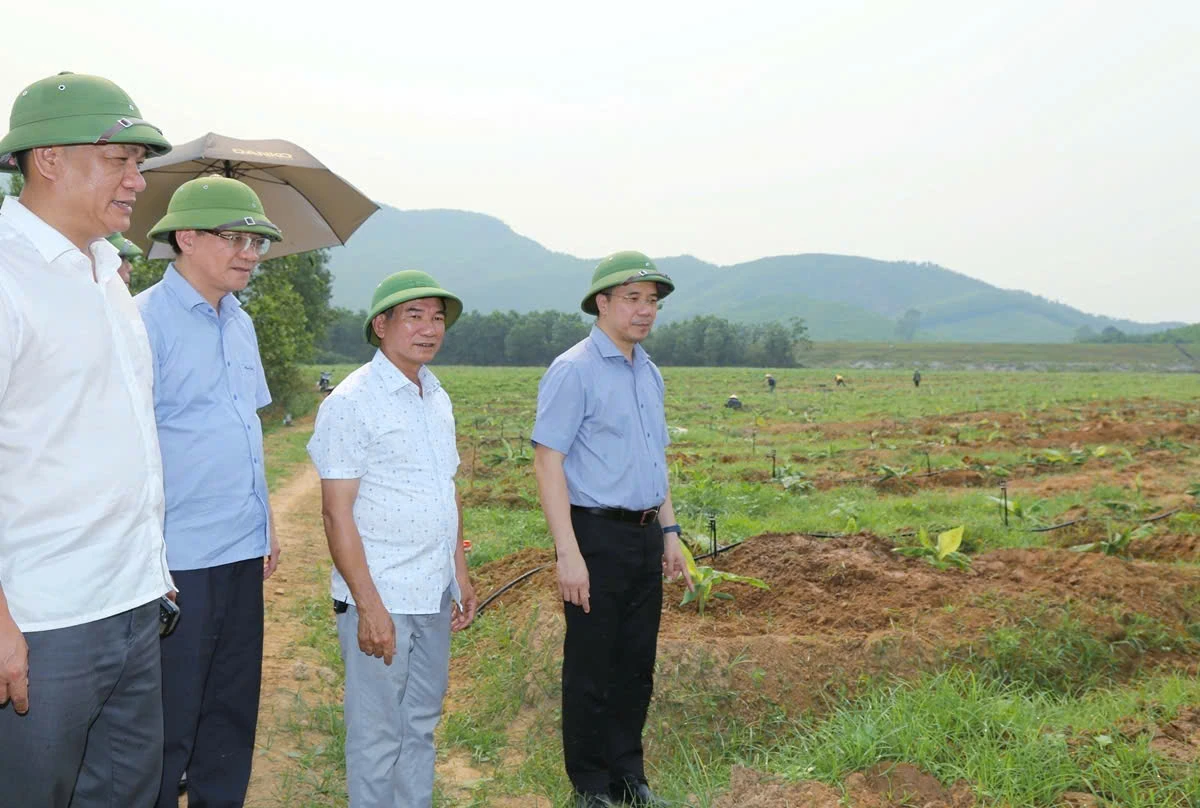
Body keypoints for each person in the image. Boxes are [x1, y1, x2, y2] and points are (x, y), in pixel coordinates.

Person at [0, 71, 175, 808]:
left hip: (133, 605)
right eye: (120, 160)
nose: (138, 181)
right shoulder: (9, 280)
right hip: (44, 623)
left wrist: (151, 568)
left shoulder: (107, 276)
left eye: (140, 164)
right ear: (48, 159)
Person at [136, 176, 283, 807]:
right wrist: (148, 552)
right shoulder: (143, 322)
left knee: (231, 707)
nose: (250, 252)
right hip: (178, 559)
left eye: (256, 240)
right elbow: (129, 449)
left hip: (240, 547)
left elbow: (246, 429)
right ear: (186, 239)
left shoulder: (240, 323)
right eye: (236, 237)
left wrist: (268, 522)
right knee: (170, 716)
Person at [307, 270, 478, 808]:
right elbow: (337, 515)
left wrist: (460, 573)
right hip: (381, 597)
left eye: (437, 317)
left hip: (431, 592)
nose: (429, 328)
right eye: (414, 315)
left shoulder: (436, 396)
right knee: (378, 734)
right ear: (381, 325)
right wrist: (369, 606)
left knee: (421, 725)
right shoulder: (351, 402)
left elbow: (445, 491)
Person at [532, 250, 693, 808]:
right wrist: (567, 553)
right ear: (602, 303)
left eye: (651, 301)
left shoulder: (648, 371)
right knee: (591, 666)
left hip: (645, 535)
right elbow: (548, 460)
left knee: (635, 663)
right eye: (632, 299)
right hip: (595, 535)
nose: (645, 310)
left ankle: (629, 776)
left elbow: (657, 461)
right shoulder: (574, 370)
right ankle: (591, 785)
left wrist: (671, 534)